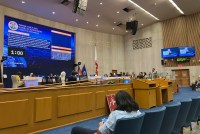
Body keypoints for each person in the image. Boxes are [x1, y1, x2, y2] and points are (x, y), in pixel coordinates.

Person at [71, 90, 141, 134]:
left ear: (118, 103)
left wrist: (101, 125)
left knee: (75, 129)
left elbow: (100, 132)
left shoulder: (115, 114)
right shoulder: (138, 112)